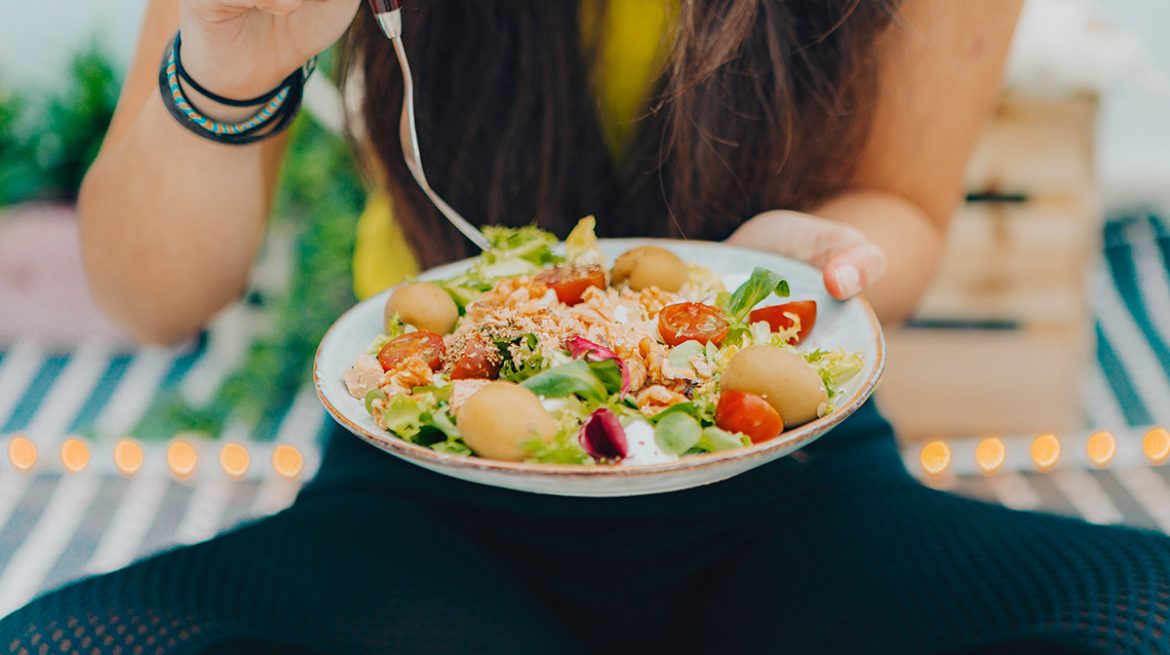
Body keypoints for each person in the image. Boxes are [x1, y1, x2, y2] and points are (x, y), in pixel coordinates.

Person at [3, 0, 1169, 653]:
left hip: (790, 487)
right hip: (424, 502)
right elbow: (151, 292)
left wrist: (797, 262)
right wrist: (227, 57)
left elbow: (901, 208)